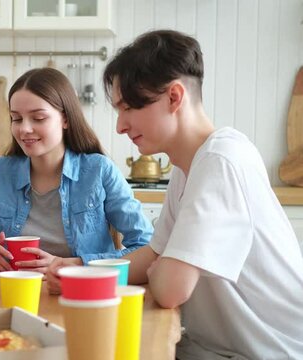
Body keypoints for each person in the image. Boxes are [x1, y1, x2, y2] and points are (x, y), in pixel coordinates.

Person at [96, 29, 301, 358]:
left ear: (175, 98)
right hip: (215, 348)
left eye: (128, 108)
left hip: (266, 352)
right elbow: (153, 256)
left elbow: (170, 290)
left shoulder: (221, 160)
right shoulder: (186, 166)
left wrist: (163, 270)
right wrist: (82, 273)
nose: (120, 125)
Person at [0, 67, 153, 275]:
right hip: (16, 293)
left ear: (65, 119)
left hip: (83, 294)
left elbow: (146, 247)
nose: (24, 129)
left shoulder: (99, 171)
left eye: (38, 118)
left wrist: (76, 265)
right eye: (16, 118)